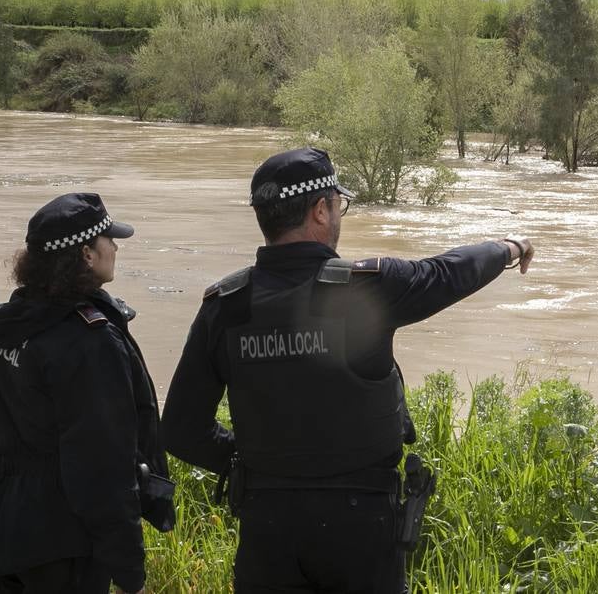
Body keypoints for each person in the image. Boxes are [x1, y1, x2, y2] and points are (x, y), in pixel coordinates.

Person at [162, 147, 534, 593]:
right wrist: (510, 247)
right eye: (339, 205)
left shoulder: (225, 305)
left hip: (267, 526)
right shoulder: (367, 288)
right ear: (320, 210)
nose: (339, 214)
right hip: (362, 528)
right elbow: (448, 273)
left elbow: (181, 429)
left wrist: (254, 465)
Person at [0, 193, 175, 594]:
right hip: (64, 545)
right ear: (86, 254)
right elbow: (104, 470)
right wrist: (130, 573)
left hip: (8, 531)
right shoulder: (89, 342)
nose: (115, 247)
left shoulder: (21, 321)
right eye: (108, 239)